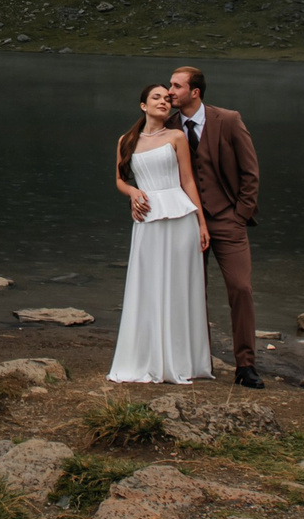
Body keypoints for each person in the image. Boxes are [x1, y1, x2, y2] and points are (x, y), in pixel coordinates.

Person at [106, 83, 212, 383]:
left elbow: (188, 181)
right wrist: (133, 193)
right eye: (157, 97)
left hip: (180, 217)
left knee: (179, 287)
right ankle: (146, 357)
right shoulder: (127, 140)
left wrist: (201, 223)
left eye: (167, 98)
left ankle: (180, 360)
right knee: (147, 285)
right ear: (144, 105)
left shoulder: (176, 137)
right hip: (148, 218)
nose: (164, 101)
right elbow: (120, 179)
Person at [168, 65, 265, 388]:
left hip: (227, 219)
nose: (170, 91)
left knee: (241, 288)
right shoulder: (167, 125)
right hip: (185, 221)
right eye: (170, 85)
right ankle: (197, 360)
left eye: (177, 86)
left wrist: (240, 214)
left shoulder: (229, 120)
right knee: (193, 292)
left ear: (195, 92)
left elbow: (250, 172)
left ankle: (246, 366)